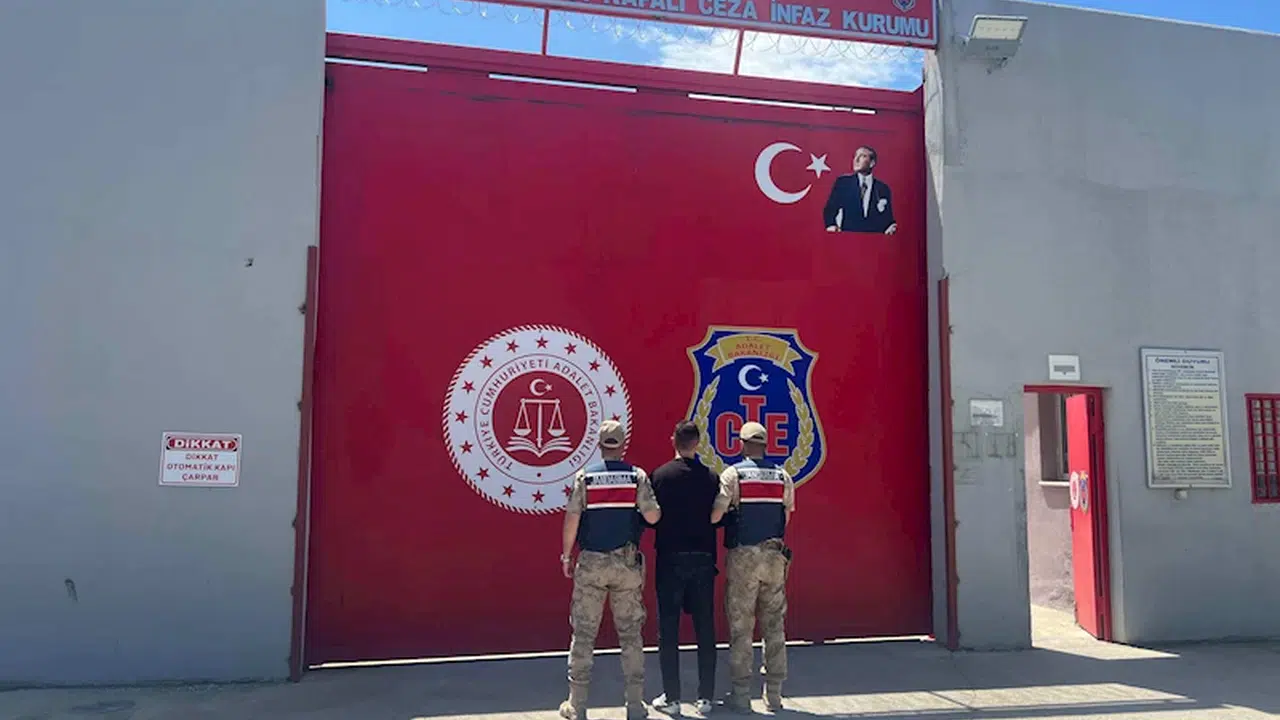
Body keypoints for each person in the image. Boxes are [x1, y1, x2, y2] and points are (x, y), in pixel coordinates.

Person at [560, 420, 662, 720]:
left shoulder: (586, 477)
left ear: (599, 444)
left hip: (592, 563)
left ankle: (577, 705)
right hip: (626, 565)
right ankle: (635, 705)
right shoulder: (636, 477)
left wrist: (566, 556)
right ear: (623, 445)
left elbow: (572, 518)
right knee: (630, 635)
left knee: (583, 634)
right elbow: (653, 517)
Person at [710, 421, 796, 713]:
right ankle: (774, 695)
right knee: (775, 627)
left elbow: (717, 514)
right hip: (774, 556)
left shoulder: (733, 474)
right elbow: (786, 517)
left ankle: (741, 695)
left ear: (743, 444)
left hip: (744, 557)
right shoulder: (782, 475)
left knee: (741, 627)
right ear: (765, 445)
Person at [649, 421, 721, 717]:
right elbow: (721, 516)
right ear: (698, 443)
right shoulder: (712, 478)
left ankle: (672, 697)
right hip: (703, 558)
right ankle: (706, 697)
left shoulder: (660, 476)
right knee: (705, 628)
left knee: (668, 629)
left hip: (670, 559)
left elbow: (648, 516)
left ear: (673, 440)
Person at [821, 145, 897, 234]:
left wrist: (891, 227)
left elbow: (888, 219)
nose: (856, 160)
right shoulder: (843, 183)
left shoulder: (883, 189)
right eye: (856, 156)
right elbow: (830, 210)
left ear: (872, 163)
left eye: (862, 156)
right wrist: (831, 225)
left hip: (874, 239)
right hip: (849, 238)